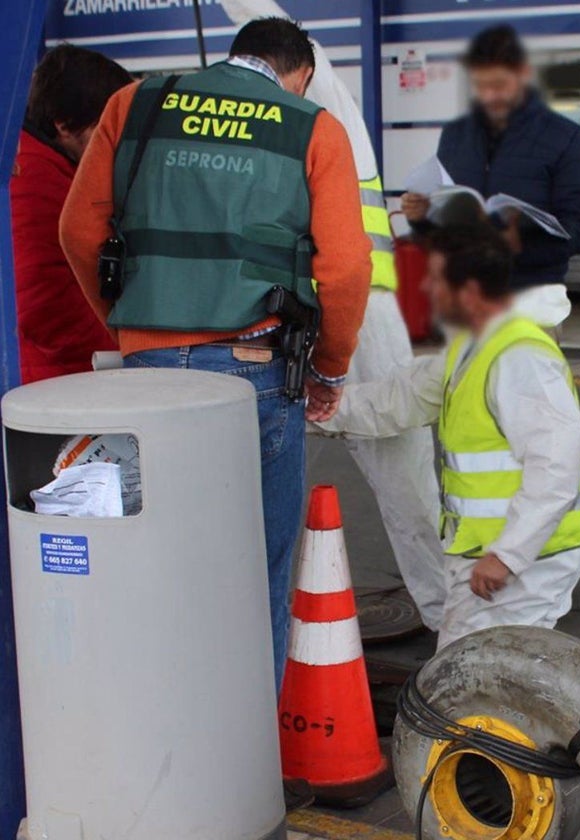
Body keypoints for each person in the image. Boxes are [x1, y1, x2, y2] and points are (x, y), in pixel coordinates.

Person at [59, 17, 371, 691]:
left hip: (143, 379)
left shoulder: (134, 102)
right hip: (253, 373)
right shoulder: (312, 127)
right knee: (254, 569)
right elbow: (346, 271)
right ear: (302, 74)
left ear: (235, 56)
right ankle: (246, 764)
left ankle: (166, 742)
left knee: (155, 563)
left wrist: (128, 326)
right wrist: (329, 368)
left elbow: (79, 231)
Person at [317, 225, 580, 753]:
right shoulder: (472, 349)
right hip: (496, 557)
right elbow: (398, 400)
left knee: (471, 681)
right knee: (505, 664)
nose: (431, 294)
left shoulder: (519, 357)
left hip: (518, 561)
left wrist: (507, 557)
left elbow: (555, 466)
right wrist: (322, 408)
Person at [218, 0, 445, 633]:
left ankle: (443, 615)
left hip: (352, 304)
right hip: (332, 306)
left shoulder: (310, 90)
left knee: (386, 459)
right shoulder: (291, 99)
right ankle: (441, 615)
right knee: (375, 467)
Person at [401, 24, 580, 328]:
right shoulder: (455, 135)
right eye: (481, 85)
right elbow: (442, 226)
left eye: (499, 84)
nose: (490, 95)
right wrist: (422, 217)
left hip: (531, 306)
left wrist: (519, 245)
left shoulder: (568, 138)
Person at [12, 45, 130, 384]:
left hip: (61, 375)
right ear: (63, 125)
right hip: (55, 380)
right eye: (103, 127)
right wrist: (121, 349)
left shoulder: (50, 166)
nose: (115, 140)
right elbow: (41, 302)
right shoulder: (32, 178)